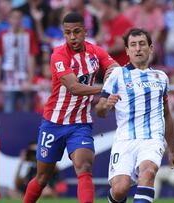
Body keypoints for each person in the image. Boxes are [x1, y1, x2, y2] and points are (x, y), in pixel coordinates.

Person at [23, 12, 119, 203]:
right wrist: (104, 88)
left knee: (84, 168)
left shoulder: (96, 52)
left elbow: (114, 66)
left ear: (85, 31)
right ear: (63, 34)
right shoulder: (58, 55)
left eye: (76, 32)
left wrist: (111, 72)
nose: (73, 37)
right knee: (42, 177)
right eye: (68, 33)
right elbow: (74, 87)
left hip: (80, 124)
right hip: (54, 123)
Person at [95, 28, 174, 203]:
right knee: (119, 189)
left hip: (152, 138)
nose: (138, 48)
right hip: (125, 139)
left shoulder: (161, 77)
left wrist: (173, 150)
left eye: (142, 44)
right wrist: (106, 104)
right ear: (127, 50)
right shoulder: (117, 75)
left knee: (148, 172)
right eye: (133, 45)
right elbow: (100, 110)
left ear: (151, 48)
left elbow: (166, 114)